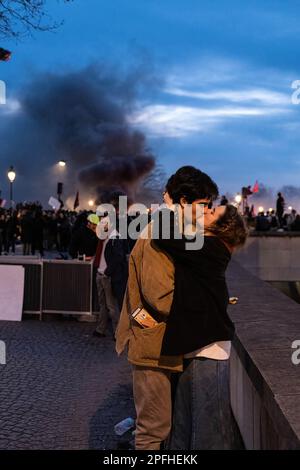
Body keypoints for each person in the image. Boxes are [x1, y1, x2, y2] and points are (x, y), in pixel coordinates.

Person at [116, 166, 219, 450]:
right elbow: (160, 297)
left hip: (160, 345)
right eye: (203, 205)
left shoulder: (168, 230)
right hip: (153, 347)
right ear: (183, 202)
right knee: (153, 429)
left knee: (158, 426)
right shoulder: (160, 234)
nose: (206, 212)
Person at [154, 203, 248, 450]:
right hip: (199, 348)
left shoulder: (212, 248)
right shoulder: (208, 248)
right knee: (184, 429)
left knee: (207, 435)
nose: (206, 210)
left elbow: (164, 236)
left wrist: (172, 209)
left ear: (222, 226)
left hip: (208, 350)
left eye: (213, 211)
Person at [93, 216, 129, 338]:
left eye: (103, 223)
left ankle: (117, 332)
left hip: (107, 276)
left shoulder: (115, 238)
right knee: (102, 304)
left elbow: (118, 257)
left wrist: (108, 272)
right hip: (100, 273)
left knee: (111, 306)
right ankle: (101, 329)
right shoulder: (104, 237)